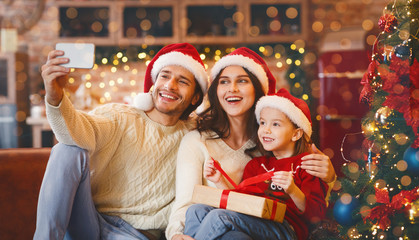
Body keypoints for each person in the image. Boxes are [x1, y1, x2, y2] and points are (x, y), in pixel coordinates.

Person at [34, 43, 209, 240]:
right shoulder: (119, 116)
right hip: (90, 221)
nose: (170, 85)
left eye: (183, 81)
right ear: (154, 83)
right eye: (165, 76)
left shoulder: (195, 136)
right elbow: (75, 132)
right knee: (66, 150)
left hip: (135, 234)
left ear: (195, 97)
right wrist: (55, 95)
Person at [166, 48, 336, 240]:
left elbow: (319, 205)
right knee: (201, 214)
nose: (232, 88)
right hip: (237, 225)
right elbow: (236, 198)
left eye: (242, 80)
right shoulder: (254, 161)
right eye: (224, 81)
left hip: (279, 228)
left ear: (257, 90)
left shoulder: (275, 144)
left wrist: (329, 176)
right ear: (216, 91)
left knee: (224, 223)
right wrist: (176, 235)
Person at [184, 88, 328, 240]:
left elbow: (316, 215)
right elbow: (239, 204)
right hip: (252, 222)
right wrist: (219, 181)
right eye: (263, 122)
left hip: (285, 228)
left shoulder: (307, 165)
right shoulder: (257, 164)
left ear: (296, 134)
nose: (266, 130)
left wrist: (293, 191)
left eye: (276, 124)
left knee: (219, 216)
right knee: (196, 211)